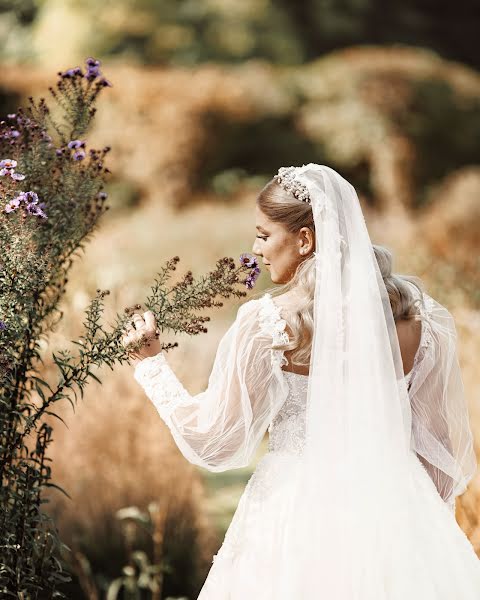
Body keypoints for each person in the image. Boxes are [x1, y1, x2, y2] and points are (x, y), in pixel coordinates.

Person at [122, 164, 480, 599]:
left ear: (306, 239)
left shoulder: (269, 324)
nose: (254, 249)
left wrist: (151, 365)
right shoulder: (419, 321)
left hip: (292, 516)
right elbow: (440, 457)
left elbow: (212, 440)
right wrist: (413, 526)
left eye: (264, 234)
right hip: (395, 507)